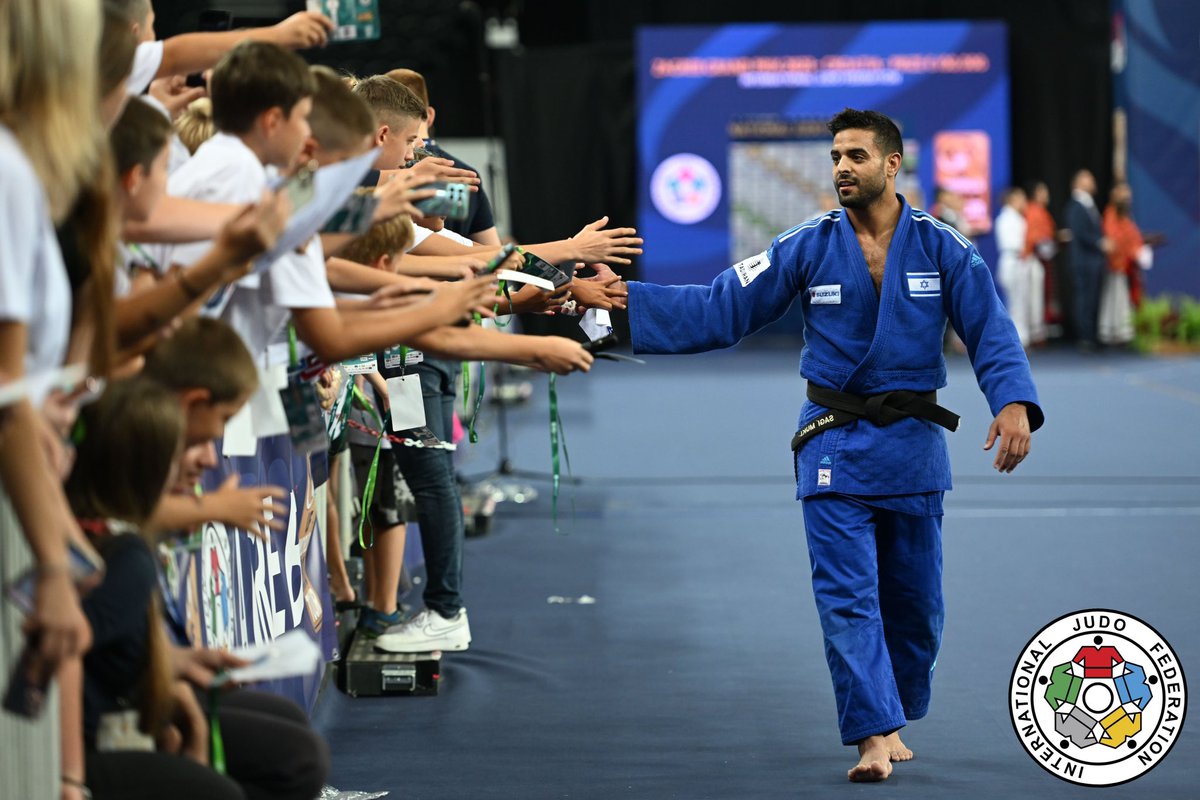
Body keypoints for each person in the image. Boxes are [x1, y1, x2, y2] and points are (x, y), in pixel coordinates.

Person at [620, 108, 1043, 782]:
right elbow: (719, 306)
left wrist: (1013, 401)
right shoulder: (805, 245)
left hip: (913, 447)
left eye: (855, 156)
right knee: (847, 599)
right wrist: (617, 305)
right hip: (833, 446)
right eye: (836, 156)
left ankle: (892, 711)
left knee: (917, 611)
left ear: (892, 164)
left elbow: (990, 330)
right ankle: (872, 734)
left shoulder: (942, 247)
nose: (842, 167)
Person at [1064, 169, 1112, 350]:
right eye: (1088, 178)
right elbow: (1081, 233)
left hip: (1094, 261)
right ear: (1078, 183)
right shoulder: (1076, 206)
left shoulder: (1089, 204)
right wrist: (1100, 242)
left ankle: (1093, 334)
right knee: (1085, 299)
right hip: (1084, 261)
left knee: (1093, 299)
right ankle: (1085, 337)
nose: (1093, 181)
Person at [1099, 182, 1148, 345]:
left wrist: (1137, 248)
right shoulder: (1111, 213)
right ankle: (1112, 333)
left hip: (1127, 263)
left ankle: (1122, 332)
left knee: (1123, 298)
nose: (1128, 198)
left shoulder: (1126, 215)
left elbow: (1133, 235)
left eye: (1129, 195)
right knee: (1115, 298)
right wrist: (1130, 249)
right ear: (1116, 196)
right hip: (1115, 264)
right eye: (1125, 195)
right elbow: (1115, 238)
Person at [994, 187, 1043, 347]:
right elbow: (1011, 243)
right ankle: (1017, 339)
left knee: (1021, 302)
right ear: (1012, 199)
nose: (1024, 202)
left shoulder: (1018, 217)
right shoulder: (1005, 218)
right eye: (1021, 198)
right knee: (1015, 303)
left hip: (1021, 261)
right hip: (1012, 260)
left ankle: (1023, 337)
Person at [1023, 181, 1061, 338]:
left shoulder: (1044, 213)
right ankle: (1033, 332)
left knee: (1043, 296)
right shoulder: (1032, 211)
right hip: (1032, 259)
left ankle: (1040, 330)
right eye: (1042, 192)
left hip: (1045, 259)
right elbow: (1033, 237)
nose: (1045, 196)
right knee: (1033, 297)